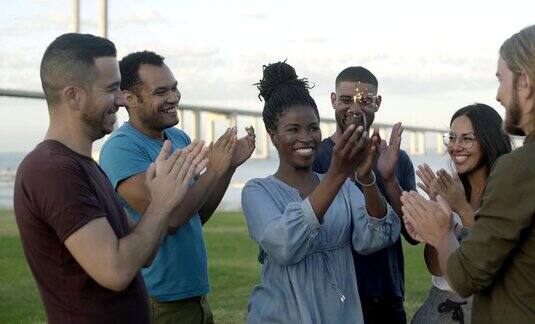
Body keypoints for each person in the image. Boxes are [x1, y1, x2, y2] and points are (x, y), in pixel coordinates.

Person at [13, 33, 206, 323]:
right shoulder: (53, 170)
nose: (121, 100)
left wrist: (166, 194)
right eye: (112, 89)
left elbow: (145, 253)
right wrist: (162, 204)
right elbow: (116, 271)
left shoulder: (87, 167)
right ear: (73, 96)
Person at [401, 24, 535, 323]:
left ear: (526, 83)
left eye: (501, 80)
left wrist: (441, 231)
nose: (498, 95)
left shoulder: (521, 167)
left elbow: (466, 276)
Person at [99, 50, 255, 324]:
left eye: (174, 88)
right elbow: (169, 218)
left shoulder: (178, 137)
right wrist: (214, 169)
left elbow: (195, 214)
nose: (173, 98)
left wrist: (228, 167)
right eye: (161, 92)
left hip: (194, 295)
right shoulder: (121, 149)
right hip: (159, 301)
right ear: (129, 98)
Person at [241, 61, 401, 323]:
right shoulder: (257, 192)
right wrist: (338, 173)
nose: (306, 137)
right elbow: (285, 245)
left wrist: (366, 179)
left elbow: (375, 238)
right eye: (293, 129)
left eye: (313, 128)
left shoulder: (345, 187)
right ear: (272, 135)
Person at [313, 66, 417, 323]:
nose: (355, 109)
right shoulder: (316, 158)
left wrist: (390, 178)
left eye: (365, 101)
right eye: (346, 100)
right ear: (333, 100)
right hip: (334, 299)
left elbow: (414, 235)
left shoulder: (396, 159)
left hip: (387, 299)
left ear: (378, 103)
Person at [411, 104, 511, 324]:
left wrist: (463, 208)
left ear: (488, 140)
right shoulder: (450, 190)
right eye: (452, 137)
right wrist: (437, 211)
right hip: (438, 309)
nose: (456, 146)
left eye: (467, 139)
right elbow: (435, 268)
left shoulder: (508, 193)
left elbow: (497, 261)